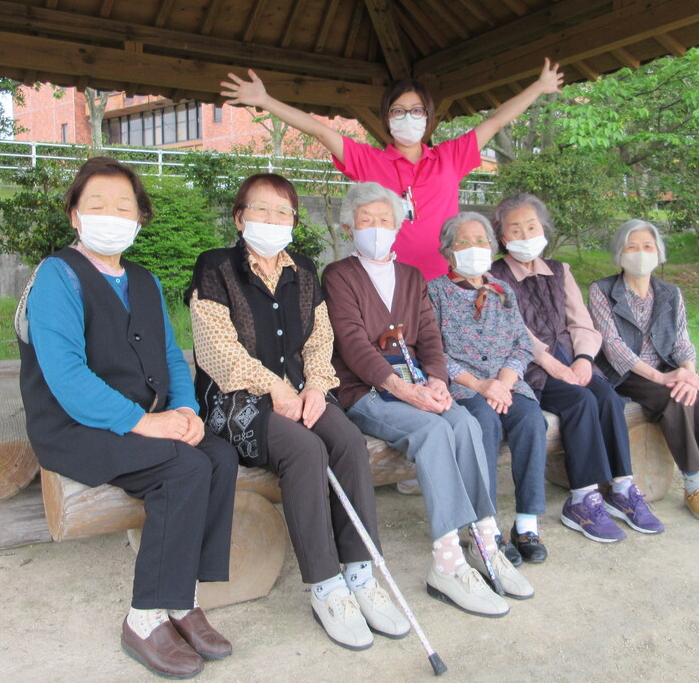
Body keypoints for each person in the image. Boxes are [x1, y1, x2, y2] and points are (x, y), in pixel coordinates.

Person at [16, 157, 236, 679]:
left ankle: (181, 601)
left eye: (124, 206)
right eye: (96, 205)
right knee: (182, 469)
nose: (110, 215)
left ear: (139, 218)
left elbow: (169, 353)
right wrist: (146, 423)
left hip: (144, 419)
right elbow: (67, 378)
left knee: (220, 456)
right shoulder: (58, 277)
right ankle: (143, 618)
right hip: (75, 429)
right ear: (74, 215)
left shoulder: (143, 279)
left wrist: (185, 409)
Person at [185, 173, 409, 652]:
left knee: (347, 441)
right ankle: (326, 586)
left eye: (282, 212)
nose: (272, 220)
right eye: (260, 210)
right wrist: (277, 389)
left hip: (302, 392)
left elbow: (319, 341)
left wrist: (316, 389)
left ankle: (360, 570)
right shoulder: (215, 268)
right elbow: (217, 351)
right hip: (237, 400)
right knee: (306, 450)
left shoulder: (304, 271)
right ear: (239, 216)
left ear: (293, 220)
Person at [323, 182, 534, 616]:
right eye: (366, 220)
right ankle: (447, 564)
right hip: (367, 392)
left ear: (398, 227)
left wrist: (437, 381)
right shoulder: (339, 275)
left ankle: (485, 541)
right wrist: (403, 390)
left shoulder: (412, 278)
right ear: (350, 227)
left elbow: (430, 339)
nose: (376, 228)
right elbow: (352, 344)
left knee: (466, 424)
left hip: (419, 384)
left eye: (384, 220)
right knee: (436, 431)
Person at [219, 60, 564, 281]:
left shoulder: (451, 156)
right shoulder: (368, 160)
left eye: (416, 110)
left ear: (428, 117)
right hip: (384, 281)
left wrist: (538, 87)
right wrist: (264, 100)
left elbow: (497, 120)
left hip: (446, 278)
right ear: (386, 118)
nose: (408, 118)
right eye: (398, 111)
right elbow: (320, 131)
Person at [489, 193, 664, 543]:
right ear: (503, 237)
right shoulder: (495, 276)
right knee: (579, 401)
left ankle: (621, 487)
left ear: (543, 229)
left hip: (572, 360)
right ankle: (583, 499)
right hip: (528, 366)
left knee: (609, 398)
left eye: (532, 226)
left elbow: (581, 323)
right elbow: (513, 331)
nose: (525, 235)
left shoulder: (559, 271)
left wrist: (584, 359)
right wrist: (552, 364)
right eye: (515, 229)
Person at [588, 220, 699, 522]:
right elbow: (612, 346)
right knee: (676, 400)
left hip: (668, 369)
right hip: (627, 374)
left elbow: (682, 342)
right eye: (632, 247)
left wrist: (688, 373)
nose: (641, 253)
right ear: (619, 253)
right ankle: (693, 484)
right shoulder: (602, 290)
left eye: (647, 246)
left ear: (658, 252)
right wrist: (662, 377)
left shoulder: (670, 293)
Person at [426, 212, 550, 565]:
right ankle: (486, 527)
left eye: (480, 241)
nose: (473, 248)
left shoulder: (503, 291)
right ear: (448, 251)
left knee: (531, 421)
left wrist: (504, 382)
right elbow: (432, 351)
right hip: (464, 389)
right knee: (485, 426)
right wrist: (481, 385)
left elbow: (521, 345)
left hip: (507, 385)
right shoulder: (435, 292)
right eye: (463, 242)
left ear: (492, 247)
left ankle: (526, 521)